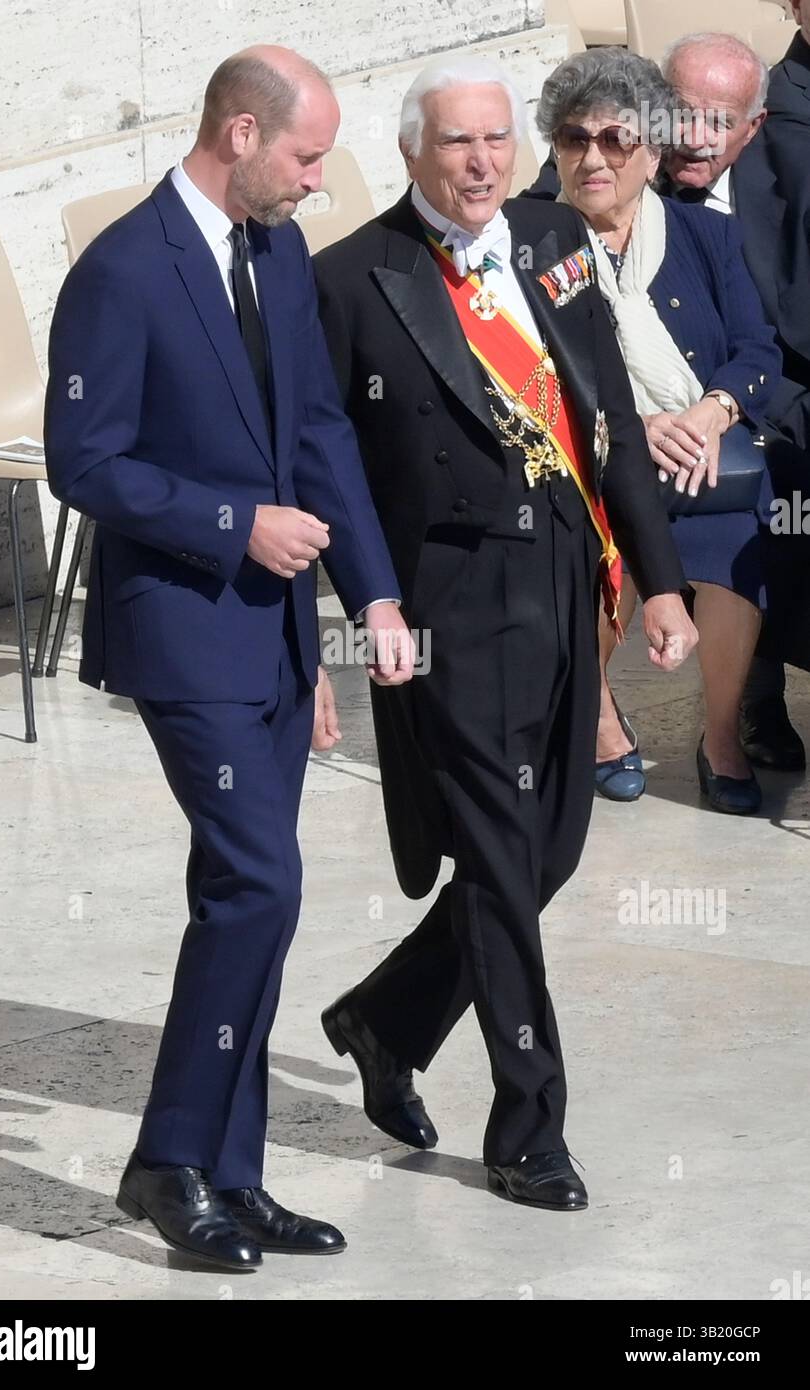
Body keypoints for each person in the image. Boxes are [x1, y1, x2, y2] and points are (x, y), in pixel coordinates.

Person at [44, 46, 412, 1272]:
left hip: (275, 630)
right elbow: (83, 464)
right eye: (307, 156)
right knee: (261, 884)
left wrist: (370, 597)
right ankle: (166, 1161)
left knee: (245, 897)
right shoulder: (121, 270)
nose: (320, 179)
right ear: (241, 135)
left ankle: (229, 1175)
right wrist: (227, 522)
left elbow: (314, 432)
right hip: (181, 627)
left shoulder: (278, 254)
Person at [312, 55, 696, 1211]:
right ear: (410, 153)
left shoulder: (552, 242)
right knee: (494, 852)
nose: (480, 164)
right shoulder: (350, 279)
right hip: (449, 607)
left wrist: (664, 583)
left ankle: (384, 1018)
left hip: (565, 579)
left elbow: (611, 422)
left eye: (494, 142)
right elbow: (321, 469)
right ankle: (528, 1126)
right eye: (454, 144)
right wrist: (358, 607)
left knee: (546, 849)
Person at [534, 47, 782, 812]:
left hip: (700, 454)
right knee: (600, 532)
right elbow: (523, 383)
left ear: (650, 149)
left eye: (616, 140)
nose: (594, 157)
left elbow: (759, 350)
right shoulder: (529, 249)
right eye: (575, 139)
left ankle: (719, 737)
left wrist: (711, 412)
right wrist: (634, 428)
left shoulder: (706, 235)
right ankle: (599, 718)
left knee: (737, 534)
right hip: (591, 460)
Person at [661, 30, 810, 770]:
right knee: (758, 481)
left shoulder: (777, 160)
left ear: (750, 129)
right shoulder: (619, 170)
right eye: (679, 112)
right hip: (677, 403)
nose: (694, 138)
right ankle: (754, 697)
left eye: (718, 121)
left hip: (779, 367)